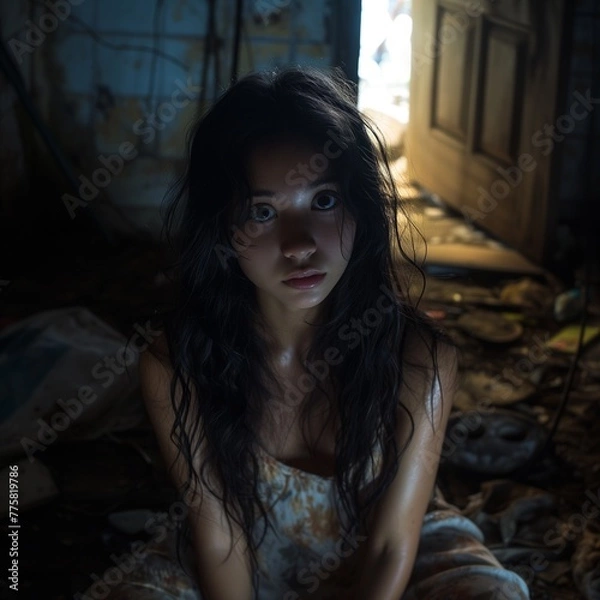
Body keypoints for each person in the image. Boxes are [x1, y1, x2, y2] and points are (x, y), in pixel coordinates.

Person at [100, 66, 531, 600]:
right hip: (243, 557)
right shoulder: (177, 364)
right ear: (223, 229)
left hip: (391, 563)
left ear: (360, 209)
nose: (299, 244)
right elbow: (221, 542)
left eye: (323, 200)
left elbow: (392, 544)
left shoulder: (420, 359)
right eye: (262, 211)